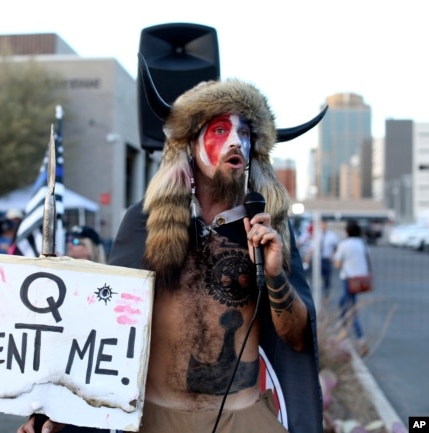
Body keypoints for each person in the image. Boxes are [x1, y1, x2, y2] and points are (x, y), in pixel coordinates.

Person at [19, 65, 325, 433]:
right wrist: (59, 409)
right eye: (220, 130)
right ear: (190, 146)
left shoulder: (266, 227)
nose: (236, 143)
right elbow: (103, 324)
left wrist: (274, 275)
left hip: (242, 419)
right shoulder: (144, 222)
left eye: (244, 133)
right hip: (155, 418)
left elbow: (295, 339)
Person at [333, 220, 370, 356]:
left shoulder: (344, 245)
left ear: (347, 231)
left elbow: (337, 264)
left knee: (351, 310)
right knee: (343, 303)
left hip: (348, 280)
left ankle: (361, 340)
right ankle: (343, 333)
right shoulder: (363, 244)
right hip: (360, 280)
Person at [303, 220, 339, 298]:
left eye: (324, 224)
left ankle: (326, 293)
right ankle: (314, 293)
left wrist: (333, 256)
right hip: (317, 259)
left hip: (326, 259)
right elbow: (312, 247)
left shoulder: (331, 235)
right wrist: (308, 257)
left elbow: (336, 247)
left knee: (326, 278)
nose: (323, 226)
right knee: (314, 276)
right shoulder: (316, 235)